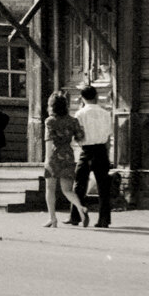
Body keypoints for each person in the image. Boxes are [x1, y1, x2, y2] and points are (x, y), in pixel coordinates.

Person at [42, 91, 90, 229]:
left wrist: (47, 160)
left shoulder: (50, 121)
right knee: (67, 190)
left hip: (54, 156)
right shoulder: (73, 120)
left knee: (50, 189)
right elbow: (81, 138)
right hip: (68, 155)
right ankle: (81, 208)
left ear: (52, 106)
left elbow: (49, 141)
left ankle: (53, 219)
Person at [71, 84, 114, 228]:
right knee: (103, 187)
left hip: (87, 150)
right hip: (101, 150)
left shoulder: (80, 114)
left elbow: (78, 135)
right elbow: (108, 134)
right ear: (96, 96)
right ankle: (104, 219)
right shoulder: (105, 113)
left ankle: (76, 216)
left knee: (79, 184)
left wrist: (80, 142)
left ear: (82, 98)